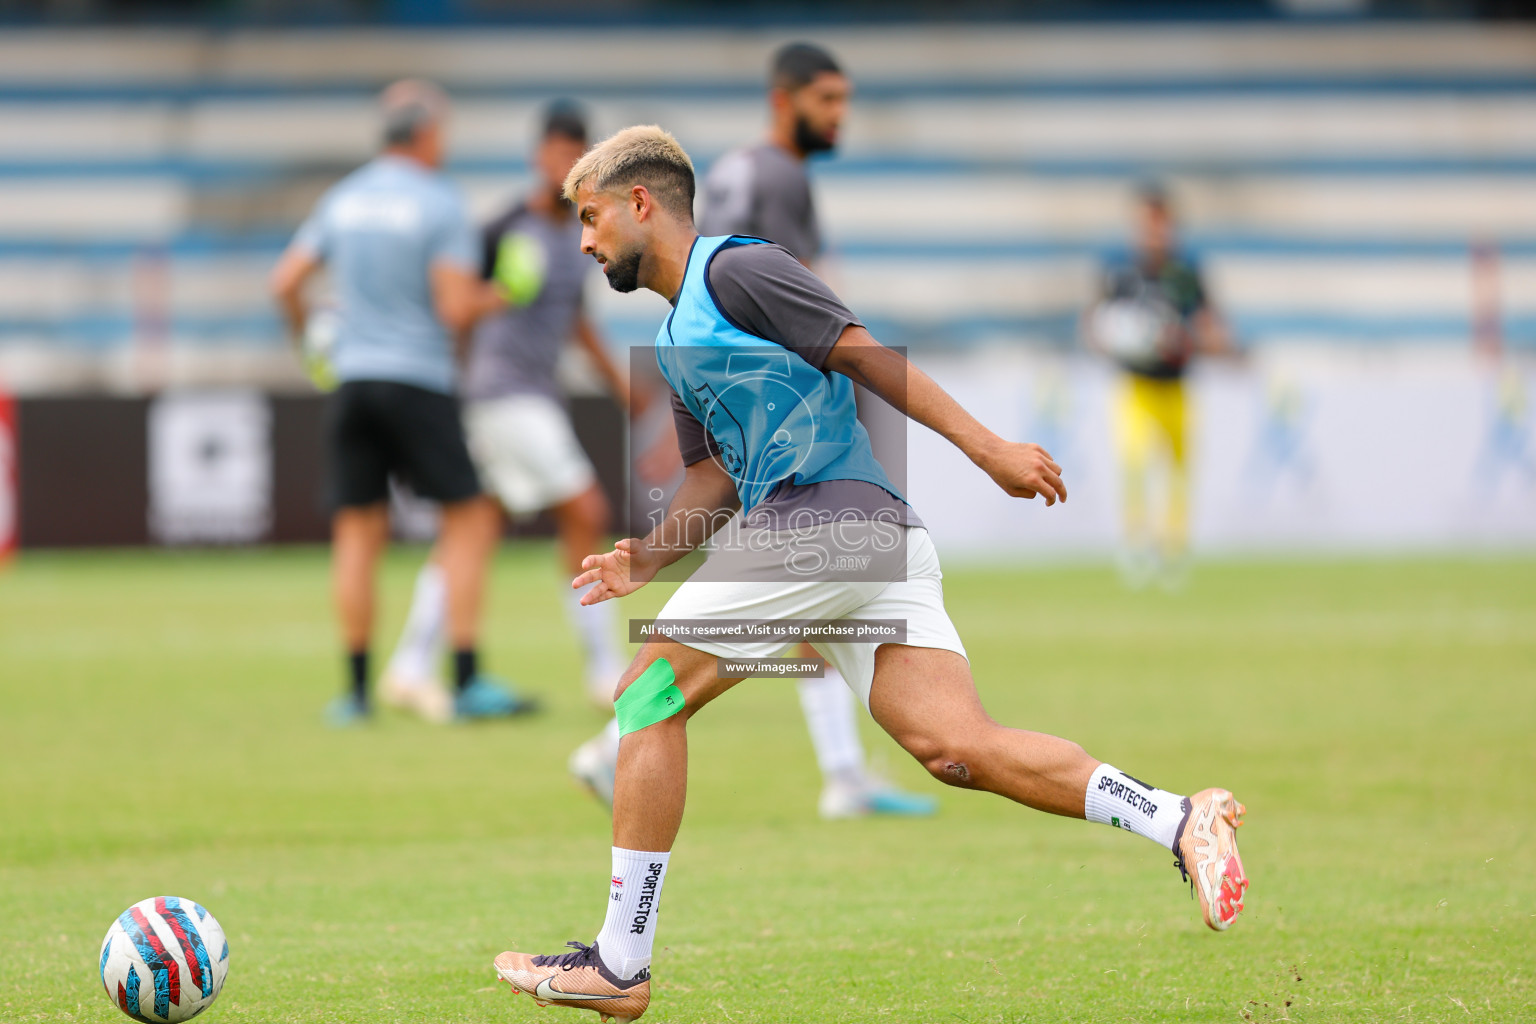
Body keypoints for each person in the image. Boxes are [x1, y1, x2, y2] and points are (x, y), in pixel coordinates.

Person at [491, 125, 1250, 1023]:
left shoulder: (738, 270)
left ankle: (620, 962)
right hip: (861, 535)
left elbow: (863, 354)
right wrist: (647, 557)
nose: (582, 241)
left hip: (827, 518)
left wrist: (989, 448)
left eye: (590, 218)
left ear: (641, 203)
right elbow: (718, 476)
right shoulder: (675, 334)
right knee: (955, 749)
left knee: (648, 695)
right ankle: (1179, 818)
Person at [603, 39, 926, 821]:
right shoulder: (780, 178)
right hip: (791, 428)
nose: (839, 116)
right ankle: (841, 773)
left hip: (755, 430)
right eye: (828, 100)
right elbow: (804, 306)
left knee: (799, 600)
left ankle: (842, 769)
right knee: (792, 596)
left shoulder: (734, 176)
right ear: (784, 100)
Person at [269, 80, 530, 725]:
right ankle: (466, 678)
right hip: (417, 378)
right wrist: (502, 293)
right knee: (468, 520)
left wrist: (308, 344)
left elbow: (286, 282)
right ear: (425, 135)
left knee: (358, 533)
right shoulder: (439, 203)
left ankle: (355, 692)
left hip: (354, 378)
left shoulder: (345, 197)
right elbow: (451, 307)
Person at [380, 101, 630, 723]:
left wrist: (622, 385)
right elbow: (457, 306)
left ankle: (409, 668)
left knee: (474, 530)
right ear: (536, 157)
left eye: (577, 155)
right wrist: (490, 312)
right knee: (586, 511)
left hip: (528, 394)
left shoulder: (582, 232)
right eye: (555, 152)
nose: (563, 165)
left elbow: (574, 321)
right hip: (502, 393)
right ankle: (604, 671)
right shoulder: (501, 229)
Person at [1082, 182, 1230, 588]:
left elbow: (1209, 326)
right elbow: (1094, 323)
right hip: (1135, 385)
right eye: (1145, 223)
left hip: (1177, 385)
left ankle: (1173, 551)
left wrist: (1194, 340)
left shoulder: (1185, 272)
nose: (1152, 231)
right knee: (1133, 463)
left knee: (1179, 470)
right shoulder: (1120, 271)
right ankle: (1135, 547)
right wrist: (1112, 339)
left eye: (1159, 222)